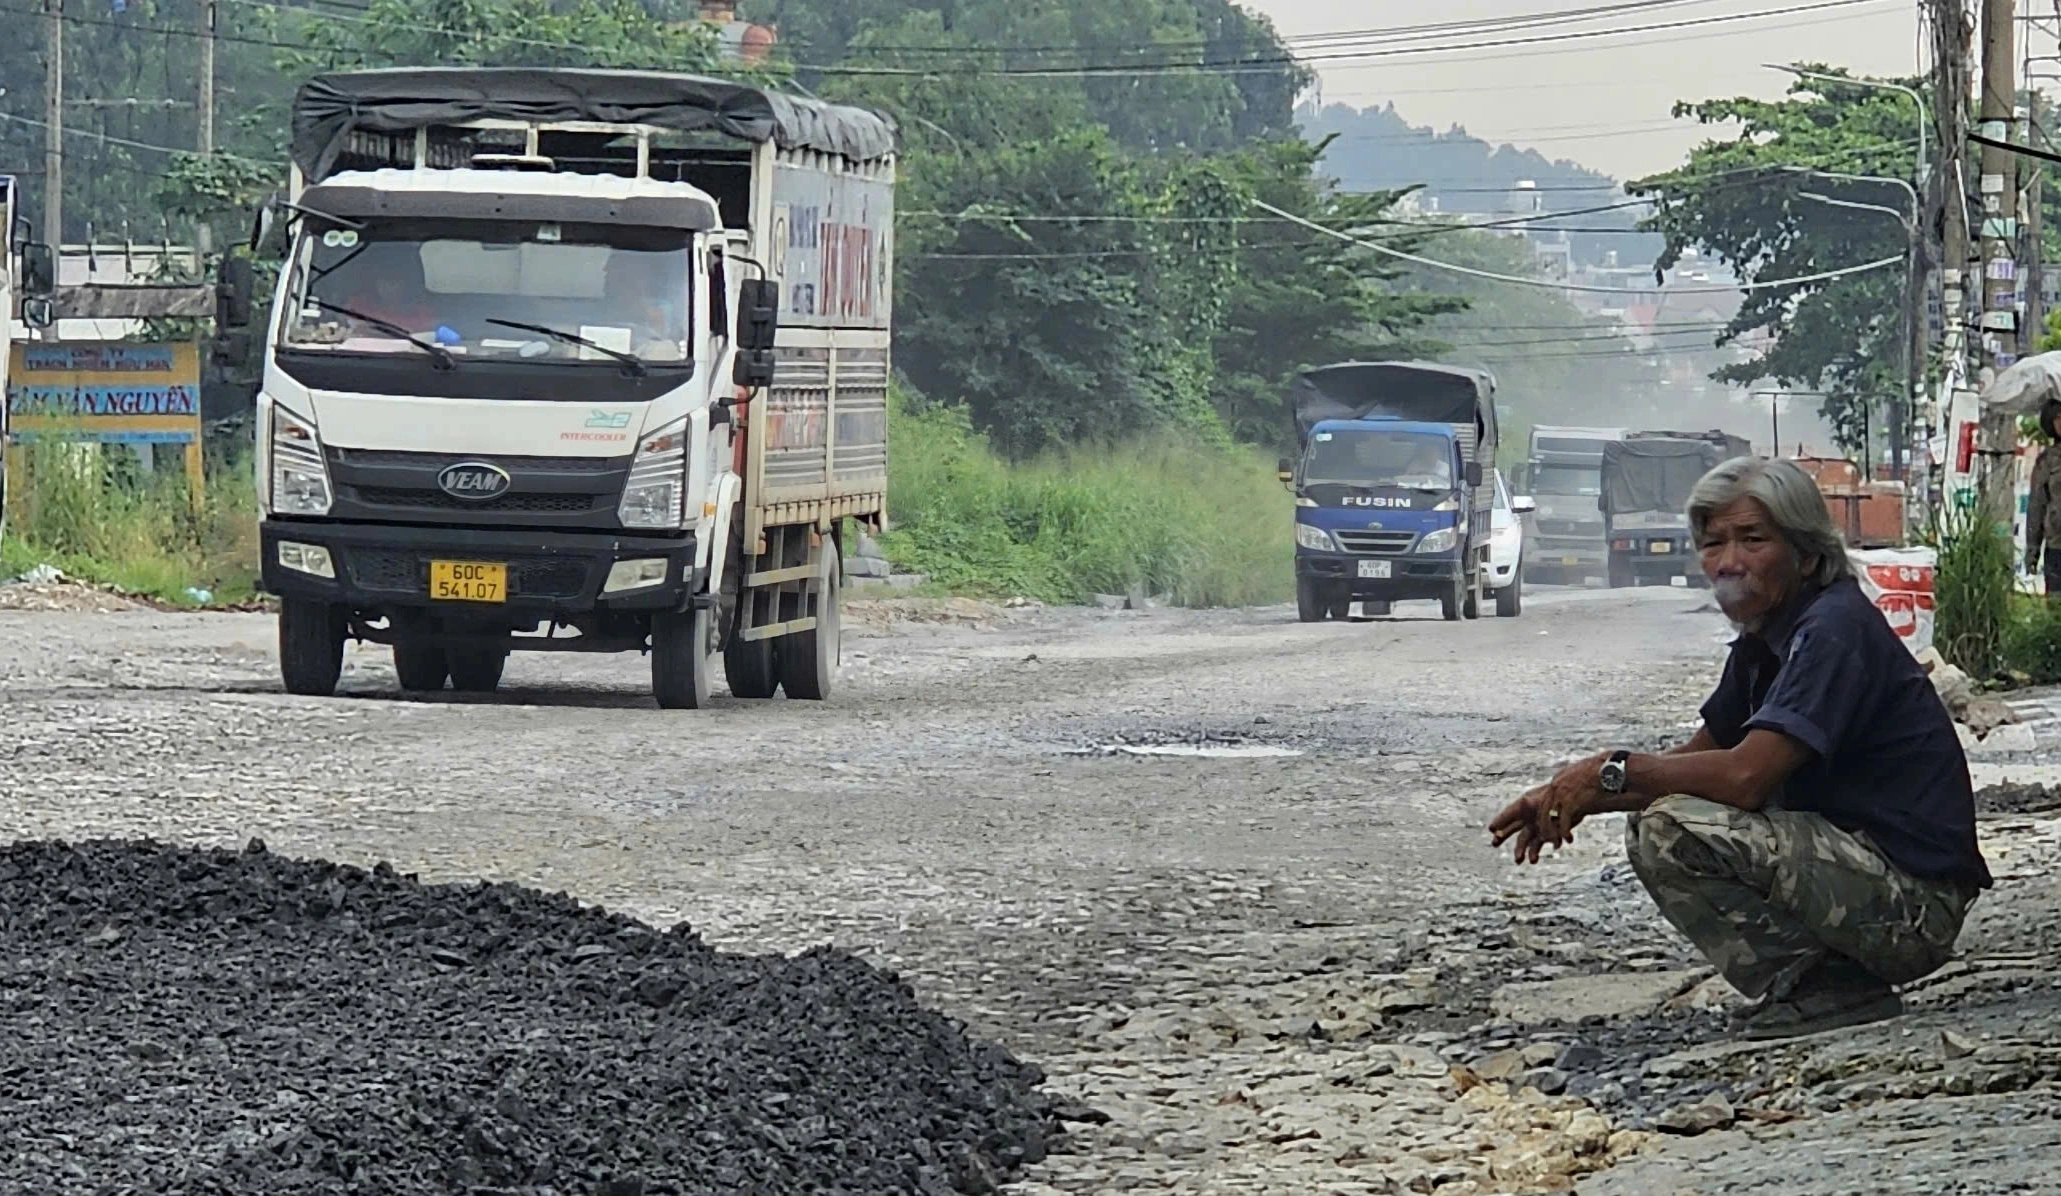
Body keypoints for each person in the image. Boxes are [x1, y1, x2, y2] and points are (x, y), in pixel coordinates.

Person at [1488, 456, 1991, 1040]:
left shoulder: (1832, 629)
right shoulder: (1765, 639)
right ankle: (1820, 984)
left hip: (1913, 907)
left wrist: (1608, 770)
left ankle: (1826, 990)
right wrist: (1567, 795)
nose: (1729, 563)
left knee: (1671, 829)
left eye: (1753, 540)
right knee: (1662, 811)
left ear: (1805, 553)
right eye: (1713, 543)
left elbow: (1744, 778)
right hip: (1866, 881)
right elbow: (1692, 762)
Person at [2026, 398, 2061, 597]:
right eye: (2057, 418)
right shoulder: (2047, 461)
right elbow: (2037, 506)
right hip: (2057, 546)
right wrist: (2033, 550)